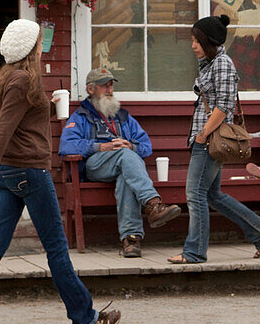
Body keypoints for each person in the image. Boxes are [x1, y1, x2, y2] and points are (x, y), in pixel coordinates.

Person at [0, 19, 121, 324]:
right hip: (28, 173)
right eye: (40, 41)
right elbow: (2, 131)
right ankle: (84, 319)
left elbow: (20, 122)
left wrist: (49, 109)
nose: (43, 46)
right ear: (30, 48)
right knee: (56, 247)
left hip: (12, 173)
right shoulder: (24, 80)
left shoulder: (12, 78)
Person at [167, 14, 260, 264]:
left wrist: (203, 134)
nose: (192, 45)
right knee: (212, 195)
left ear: (209, 41)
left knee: (195, 194)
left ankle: (194, 252)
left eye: (197, 40)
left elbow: (224, 106)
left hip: (211, 139)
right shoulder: (209, 63)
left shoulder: (223, 63)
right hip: (204, 137)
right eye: (192, 40)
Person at [58, 67, 181, 257]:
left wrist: (130, 146)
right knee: (125, 156)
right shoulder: (81, 116)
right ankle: (152, 203)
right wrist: (100, 147)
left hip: (124, 167)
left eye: (111, 85)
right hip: (95, 167)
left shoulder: (123, 117)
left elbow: (146, 146)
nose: (109, 90)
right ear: (90, 89)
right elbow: (67, 146)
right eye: (104, 86)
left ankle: (131, 240)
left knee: (126, 172)